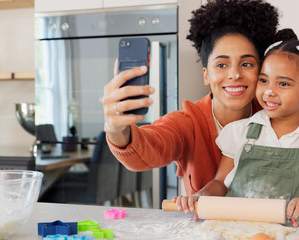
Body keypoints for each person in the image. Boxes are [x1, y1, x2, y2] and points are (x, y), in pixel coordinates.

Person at [173, 30, 299, 228]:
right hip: (234, 231)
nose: (269, 91)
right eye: (264, 80)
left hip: (290, 233)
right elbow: (220, 183)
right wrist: (201, 196)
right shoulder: (238, 132)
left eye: (283, 83)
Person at [102, 0, 279, 196]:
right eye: (221, 65)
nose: (235, 74)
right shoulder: (188, 123)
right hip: (205, 227)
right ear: (206, 75)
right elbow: (147, 149)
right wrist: (116, 130)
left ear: (260, 72)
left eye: (246, 64)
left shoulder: (276, 116)